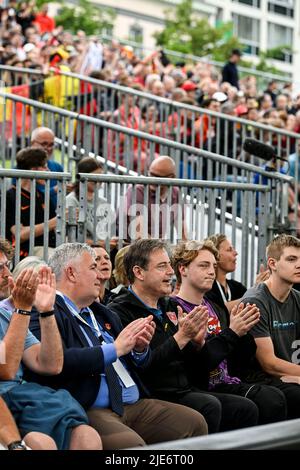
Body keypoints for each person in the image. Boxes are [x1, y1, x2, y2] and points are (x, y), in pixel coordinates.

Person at [28, 242, 208, 449]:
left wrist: (140, 349)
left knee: (195, 422)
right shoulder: (44, 310)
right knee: (130, 445)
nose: (101, 275)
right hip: (89, 405)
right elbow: (58, 362)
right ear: (71, 273)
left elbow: (140, 364)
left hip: (133, 403)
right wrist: (116, 349)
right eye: (93, 268)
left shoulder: (104, 313)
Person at [108, 239, 259, 433]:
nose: (171, 272)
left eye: (169, 265)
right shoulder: (119, 312)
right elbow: (144, 369)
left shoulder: (170, 306)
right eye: (162, 266)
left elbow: (198, 365)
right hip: (153, 394)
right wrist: (181, 337)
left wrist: (198, 344)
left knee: (245, 408)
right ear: (139, 272)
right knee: (210, 405)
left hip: (186, 388)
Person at [0, 238, 102, 450]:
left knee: (87, 436)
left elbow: (51, 365)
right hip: (7, 405)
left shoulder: (4, 315)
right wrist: (22, 309)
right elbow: (7, 370)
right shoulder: (15, 312)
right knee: (42, 443)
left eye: (6, 266)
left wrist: (47, 311)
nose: (7, 274)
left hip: (23, 401)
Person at [171, 239, 287, 425]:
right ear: (183, 269)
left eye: (213, 266)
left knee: (277, 395)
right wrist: (232, 333)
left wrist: (243, 334)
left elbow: (234, 359)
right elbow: (193, 367)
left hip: (228, 380)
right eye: (203, 265)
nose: (211, 271)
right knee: (267, 400)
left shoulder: (215, 307)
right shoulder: (174, 308)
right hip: (201, 386)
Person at [242, 234, 300, 420]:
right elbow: (269, 364)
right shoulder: (255, 301)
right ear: (272, 264)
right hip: (262, 378)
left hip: (291, 373)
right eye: (291, 259)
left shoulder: (297, 298)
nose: (298, 265)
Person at [5, 147, 57, 259]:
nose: (48, 171)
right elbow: (20, 234)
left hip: (49, 248)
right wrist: (55, 221)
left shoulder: (41, 195)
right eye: (44, 167)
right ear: (33, 170)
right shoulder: (10, 196)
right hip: (25, 253)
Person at [122, 155, 187, 241]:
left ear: (172, 177)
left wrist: (191, 250)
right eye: (151, 174)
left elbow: (182, 232)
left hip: (154, 246)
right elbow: (139, 233)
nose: (153, 179)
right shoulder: (136, 190)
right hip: (127, 245)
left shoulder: (176, 193)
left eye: (158, 176)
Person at [206, 234, 269, 312]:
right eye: (229, 250)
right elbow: (216, 310)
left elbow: (253, 306)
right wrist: (255, 291)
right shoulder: (207, 286)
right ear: (215, 254)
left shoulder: (237, 287)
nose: (236, 253)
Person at [30, 127, 64, 207]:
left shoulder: (57, 167)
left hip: (56, 215)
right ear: (32, 143)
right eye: (44, 144)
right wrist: (54, 190)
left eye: (51, 145)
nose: (48, 148)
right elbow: (23, 195)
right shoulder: (21, 167)